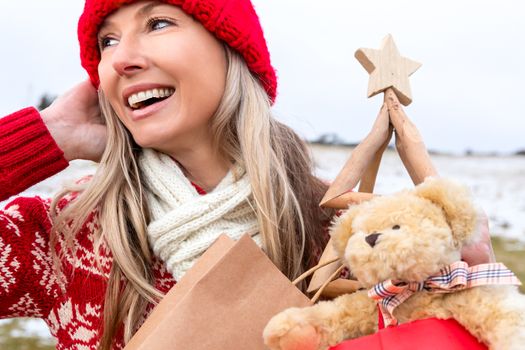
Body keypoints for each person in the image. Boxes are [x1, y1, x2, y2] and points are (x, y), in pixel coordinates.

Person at [0, 1, 494, 349]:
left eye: (158, 23)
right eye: (107, 40)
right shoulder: (64, 231)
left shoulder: (352, 233)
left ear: (232, 50)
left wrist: (470, 289)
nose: (120, 58)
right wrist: (48, 134)